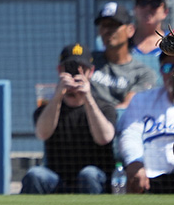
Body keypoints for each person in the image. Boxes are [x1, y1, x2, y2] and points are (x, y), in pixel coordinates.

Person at [21, 43, 117, 194]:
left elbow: (104, 138)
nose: (75, 74)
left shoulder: (104, 107)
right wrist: (58, 95)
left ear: (90, 72)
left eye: (81, 69)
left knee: (88, 174)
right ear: (60, 70)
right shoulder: (48, 108)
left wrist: (87, 97)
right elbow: (42, 134)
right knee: (35, 175)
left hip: (94, 180)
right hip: (57, 180)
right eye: (70, 68)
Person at [116, 39, 174, 193]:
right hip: (153, 180)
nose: (172, 73)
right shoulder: (143, 99)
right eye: (167, 67)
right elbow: (130, 134)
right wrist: (135, 162)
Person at [90, 1, 160, 108]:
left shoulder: (143, 73)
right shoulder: (88, 62)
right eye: (104, 25)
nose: (107, 30)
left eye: (114, 25)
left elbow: (127, 107)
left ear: (130, 30)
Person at [131, 0, 169, 74]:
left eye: (155, 3)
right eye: (143, 2)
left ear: (165, 12)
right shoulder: (123, 43)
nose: (148, 7)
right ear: (135, 9)